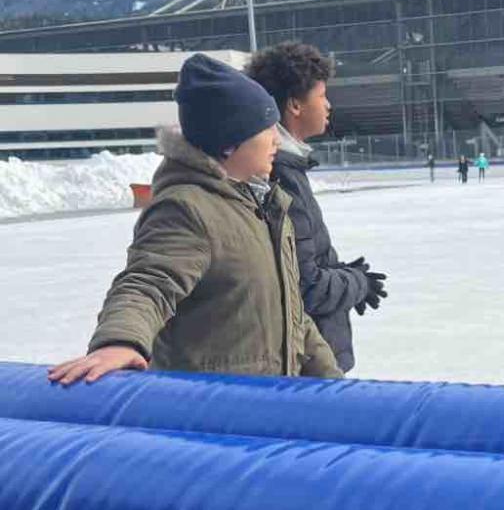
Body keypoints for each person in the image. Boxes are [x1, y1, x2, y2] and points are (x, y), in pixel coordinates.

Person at [49, 53, 341, 386]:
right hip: (211, 406)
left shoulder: (262, 206)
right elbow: (149, 282)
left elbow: (292, 316)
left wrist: (333, 385)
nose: (276, 139)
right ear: (230, 142)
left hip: (268, 401)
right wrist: (120, 341)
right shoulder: (186, 209)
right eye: (265, 128)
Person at [246, 42, 386, 375]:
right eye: (322, 95)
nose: (328, 105)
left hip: (311, 355)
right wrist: (356, 283)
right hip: (308, 363)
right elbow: (303, 286)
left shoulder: (287, 168)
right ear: (295, 104)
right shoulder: (281, 176)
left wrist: (342, 273)